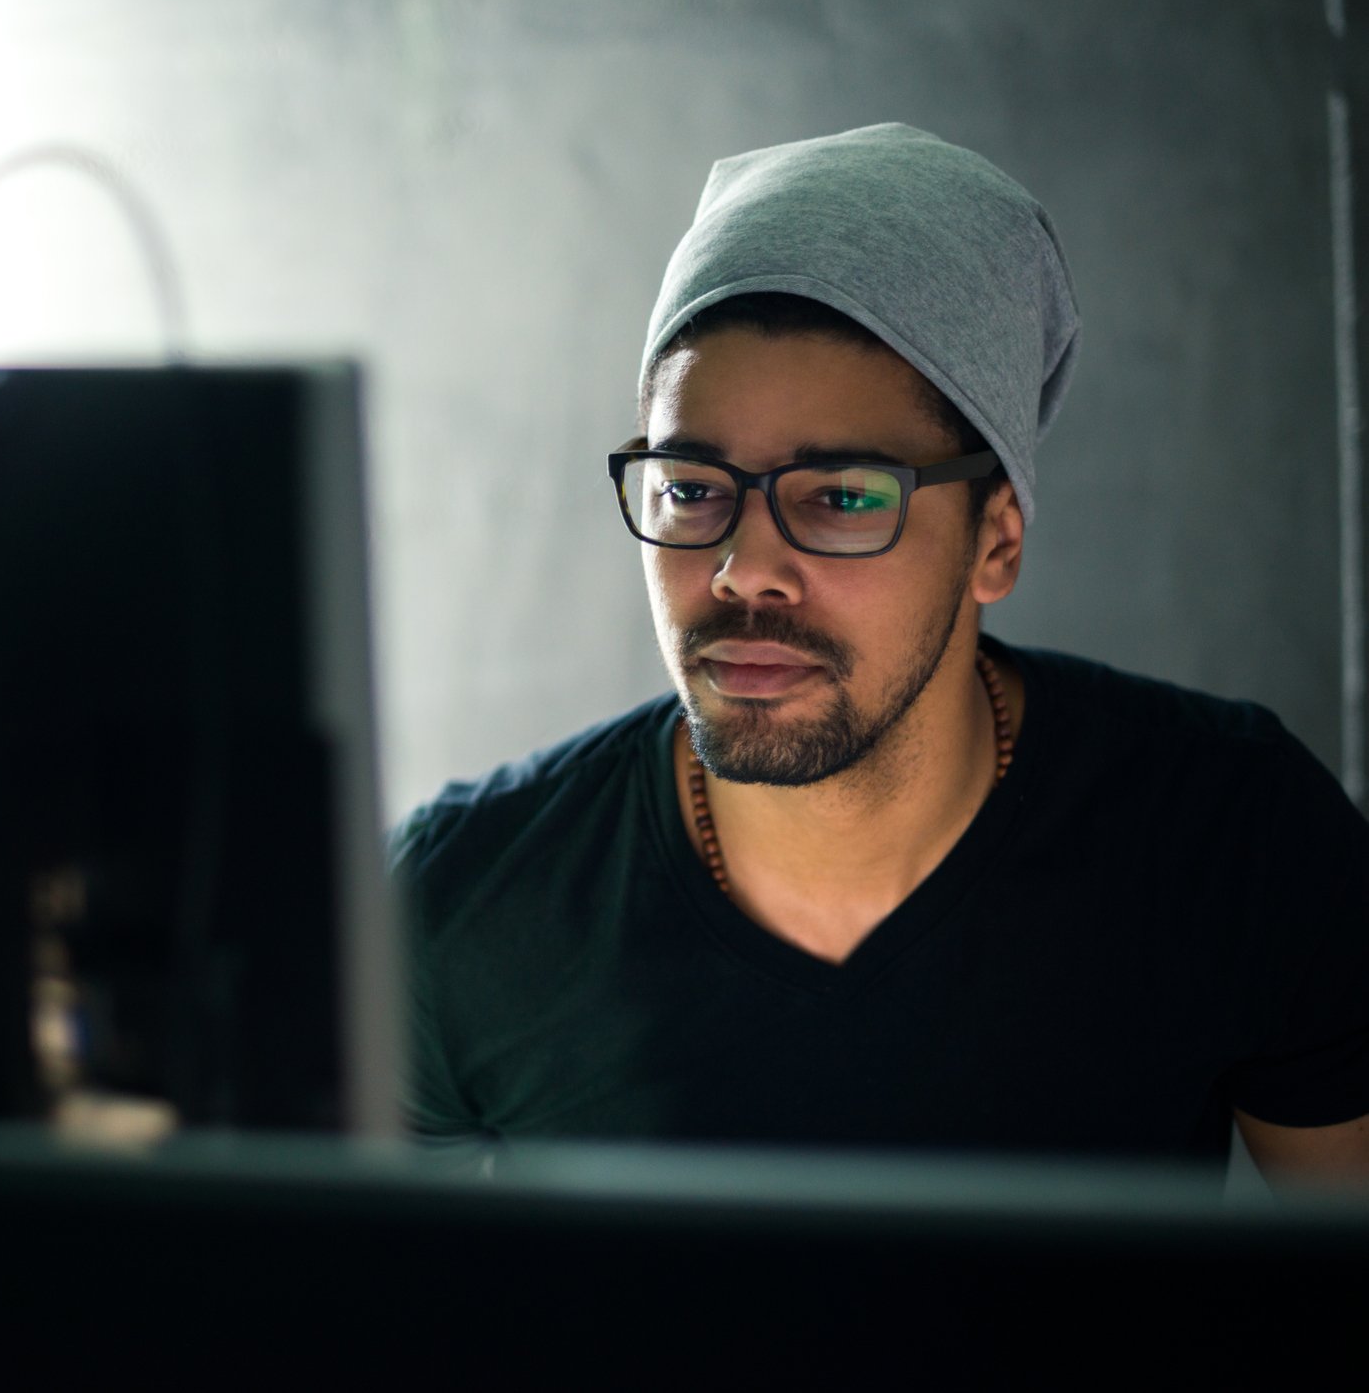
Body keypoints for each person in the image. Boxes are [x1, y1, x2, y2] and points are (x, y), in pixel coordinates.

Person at [393, 123, 1369, 1183]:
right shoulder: (459, 909)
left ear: (994, 540)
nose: (742, 569)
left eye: (844, 497)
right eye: (689, 489)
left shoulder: (1232, 837)